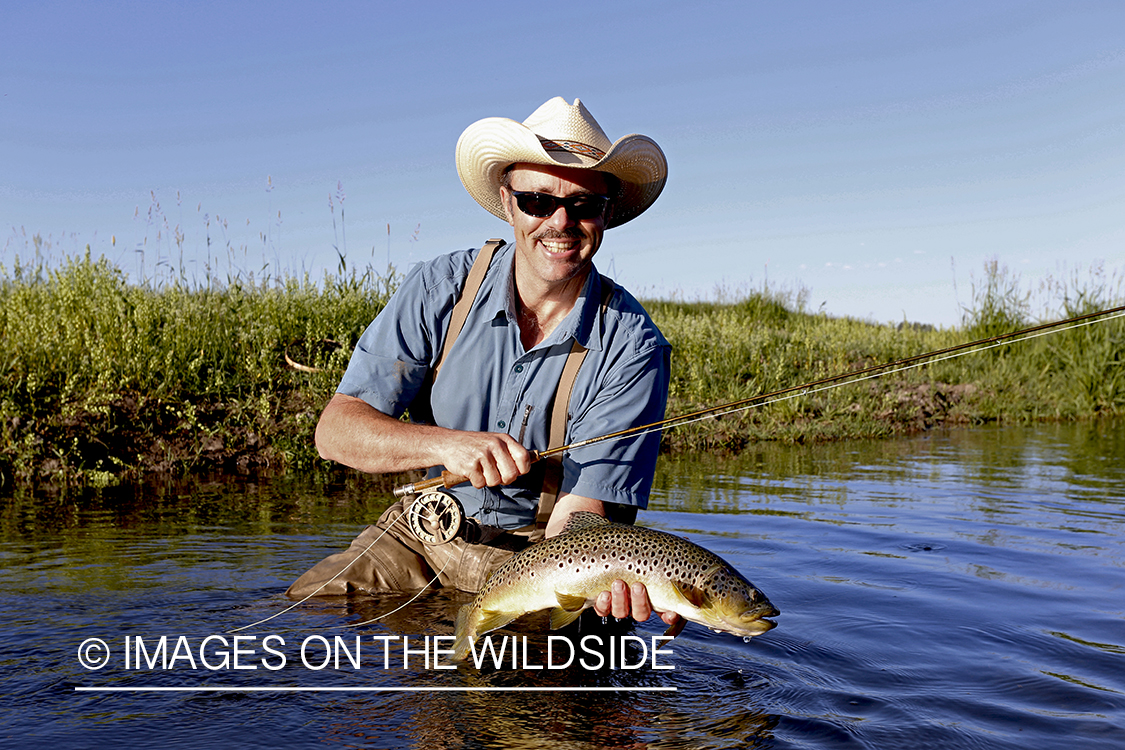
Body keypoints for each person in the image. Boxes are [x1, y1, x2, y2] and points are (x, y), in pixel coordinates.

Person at [288, 96, 676, 628]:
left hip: (545, 560)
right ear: (507, 200)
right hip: (421, 535)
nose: (561, 223)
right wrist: (448, 444)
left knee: (522, 704)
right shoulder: (440, 289)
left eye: (584, 204)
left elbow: (578, 516)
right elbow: (335, 432)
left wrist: (605, 578)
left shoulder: (634, 349)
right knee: (301, 623)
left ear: (606, 212)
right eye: (538, 200)